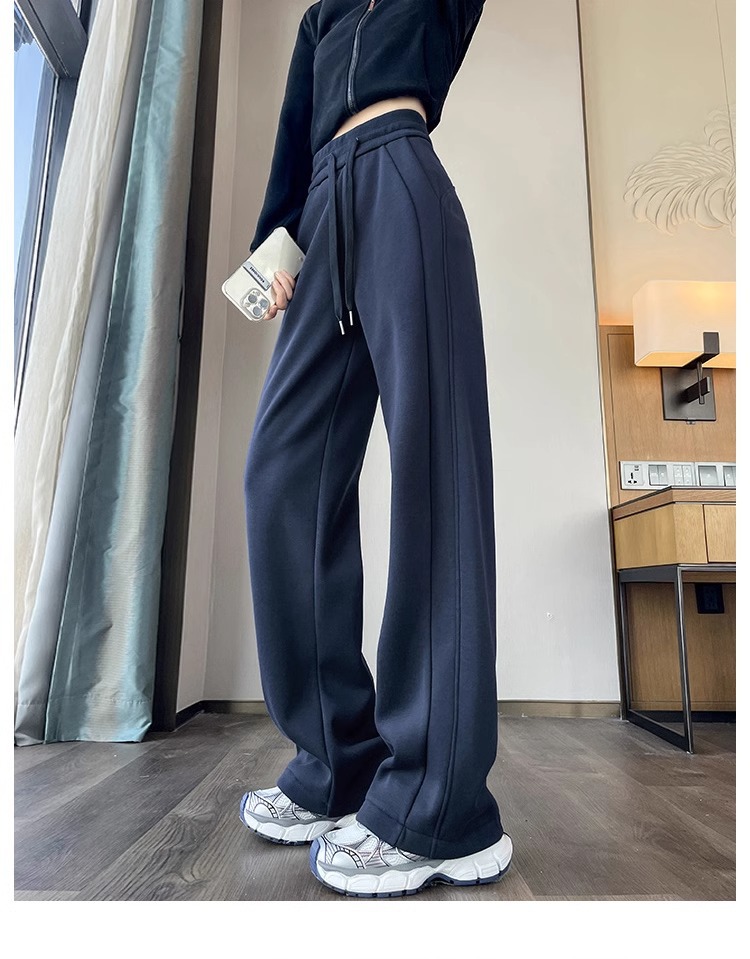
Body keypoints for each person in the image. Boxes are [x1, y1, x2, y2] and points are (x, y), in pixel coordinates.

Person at [239, 0, 513, 898]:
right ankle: (338, 762)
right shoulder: (321, 16)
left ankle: (441, 805)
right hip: (323, 206)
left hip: (401, 175)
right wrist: (274, 245)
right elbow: (294, 134)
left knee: (436, 471)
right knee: (281, 475)